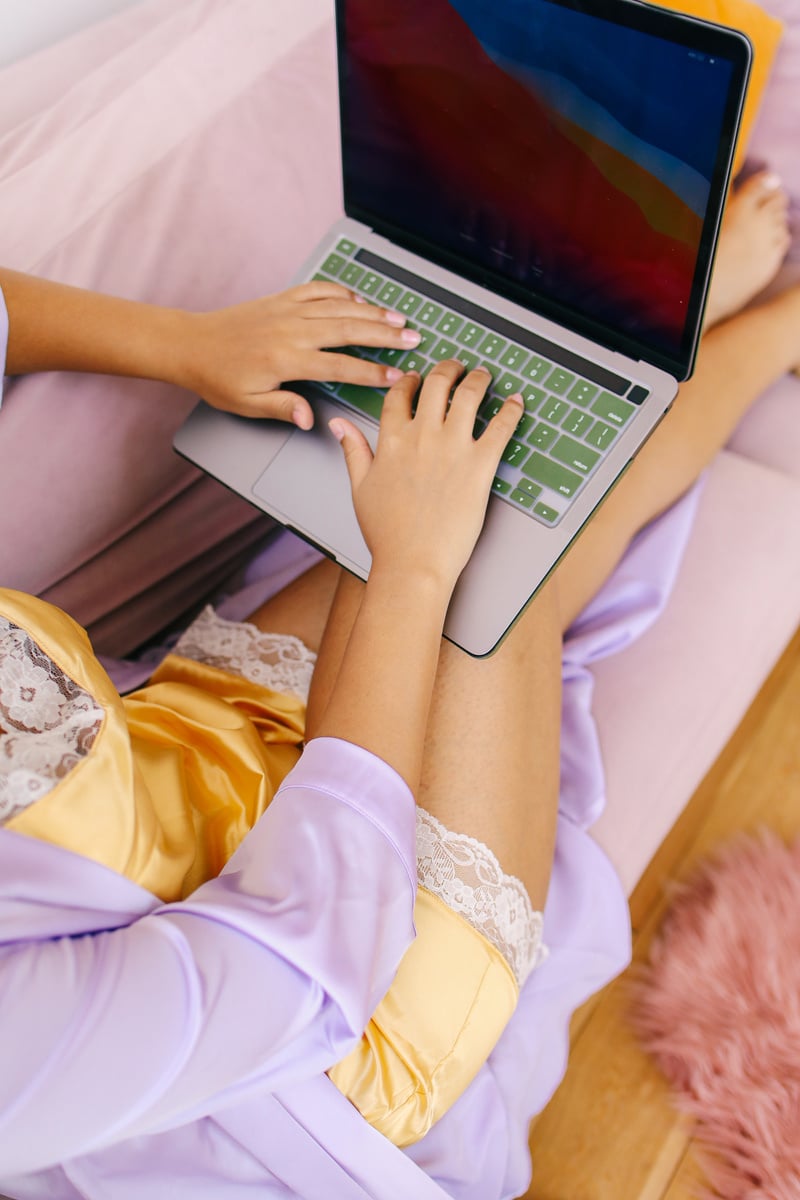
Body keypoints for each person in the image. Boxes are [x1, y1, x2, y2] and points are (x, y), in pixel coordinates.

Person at [0, 169, 796, 1199]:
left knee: (462, 497)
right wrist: (413, 566)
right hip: (320, 1031)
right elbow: (301, 963)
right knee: (505, 543)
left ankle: (662, 330)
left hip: (167, 777)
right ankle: (769, 332)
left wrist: (192, 344)